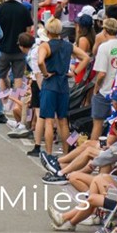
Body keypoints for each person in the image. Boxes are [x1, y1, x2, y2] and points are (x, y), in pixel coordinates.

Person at [37, 18, 90, 159]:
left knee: (49, 120)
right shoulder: (68, 46)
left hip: (50, 83)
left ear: (48, 31)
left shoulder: (45, 46)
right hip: (63, 84)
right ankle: (66, 153)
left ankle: (48, 153)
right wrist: (75, 72)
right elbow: (85, 57)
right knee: (63, 120)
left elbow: (40, 61)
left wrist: (45, 73)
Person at [0, 0, 34, 92]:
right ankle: (16, 102)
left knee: (1, 76)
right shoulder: (23, 9)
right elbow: (28, 29)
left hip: (2, 48)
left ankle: (3, 101)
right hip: (19, 48)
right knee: (18, 77)